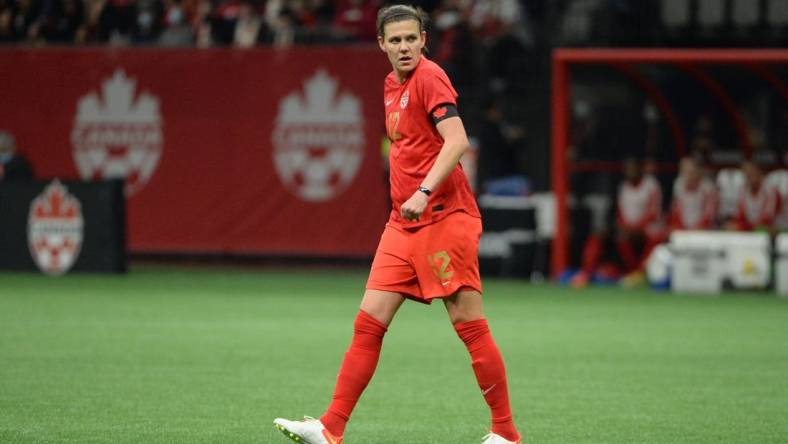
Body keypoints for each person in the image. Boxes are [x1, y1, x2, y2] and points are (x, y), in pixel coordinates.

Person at [273, 5, 522, 444]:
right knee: (368, 323)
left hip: (445, 218)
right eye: (396, 40)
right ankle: (330, 428)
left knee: (469, 325)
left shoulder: (429, 77)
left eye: (411, 38)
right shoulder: (391, 84)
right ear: (381, 45)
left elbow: (458, 140)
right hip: (403, 226)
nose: (404, 47)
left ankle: (505, 433)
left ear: (424, 39)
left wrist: (423, 191)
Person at [668, 155, 717, 231]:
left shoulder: (708, 187)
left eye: (690, 172)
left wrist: (697, 228)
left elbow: (709, 214)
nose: (686, 175)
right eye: (683, 172)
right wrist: (680, 226)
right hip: (683, 228)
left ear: (698, 171)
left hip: (703, 229)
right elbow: (676, 209)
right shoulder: (678, 184)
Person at [729, 159, 779, 234]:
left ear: (760, 174)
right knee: (730, 228)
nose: (750, 178)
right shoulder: (743, 190)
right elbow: (741, 214)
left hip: (766, 227)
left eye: (752, 174)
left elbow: (768, 216)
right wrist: (740, 225)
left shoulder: (770, 191)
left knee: (765, 229)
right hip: (749, 226)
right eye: (747, 175)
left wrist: (750, 227)